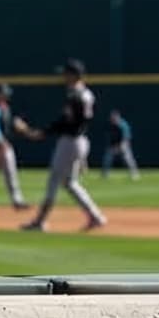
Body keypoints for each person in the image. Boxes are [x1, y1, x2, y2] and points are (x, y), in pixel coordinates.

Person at [22, 60, 108, 233]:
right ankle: (95, 216)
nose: (63, 76)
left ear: (75, 75)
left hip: (70, 141)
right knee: (70, 183)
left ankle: (40, 221)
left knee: (54, 179)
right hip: (81, 141)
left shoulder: (75, 96)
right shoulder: (87, 94)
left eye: (66, 73)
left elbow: (64, 123)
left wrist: (42, 133)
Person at [100, 107, 140, 181]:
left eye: (114, 117)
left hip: (123, 145)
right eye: (112, 117)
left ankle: (134, 174)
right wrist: (112, 146)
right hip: (113, 145)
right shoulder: (110, 125)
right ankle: (104, 174)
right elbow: (109, 137)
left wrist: (121, 146)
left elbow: (126, 138)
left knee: (128, 159)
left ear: (118, 117)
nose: (113, 118)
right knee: (107, 158)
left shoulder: (122, 125)